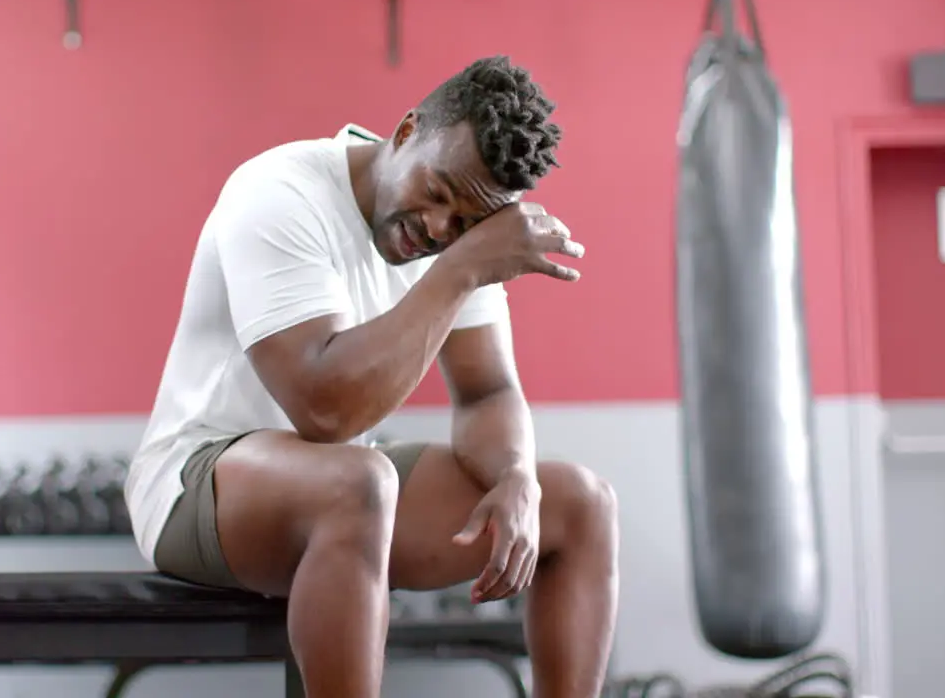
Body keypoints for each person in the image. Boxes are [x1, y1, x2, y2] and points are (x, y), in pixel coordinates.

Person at [125, 55, 618, 698]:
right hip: (195, 483)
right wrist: (462, 267)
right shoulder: (281, 191)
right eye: (436, 192)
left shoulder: (462, 238)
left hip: (349, 492)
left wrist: (516, 477)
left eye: (466, 223)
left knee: (580, 504)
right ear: (407, 131)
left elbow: (487, 392)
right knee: (358, 481)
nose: (439, 228)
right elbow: (324, 411)